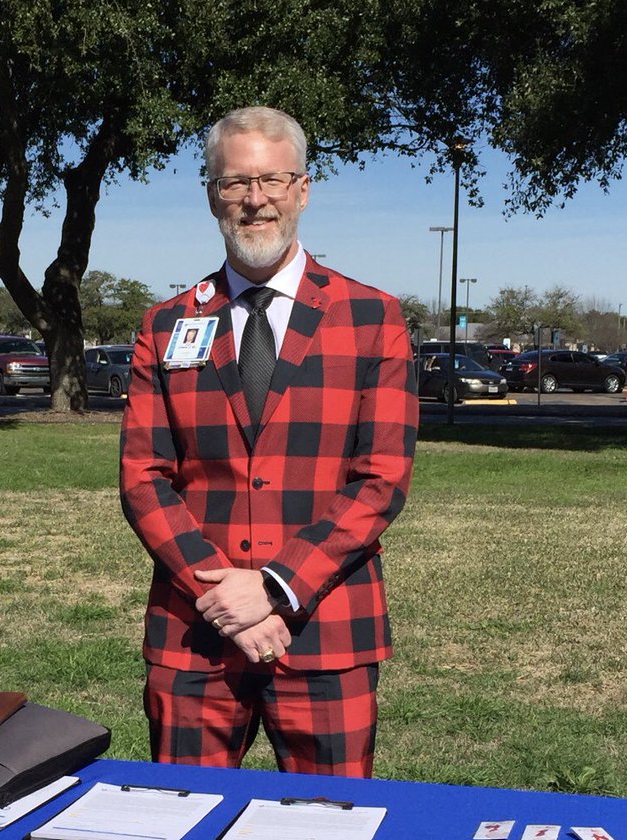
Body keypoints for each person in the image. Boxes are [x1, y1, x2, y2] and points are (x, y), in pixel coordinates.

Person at [120, 106, 418, 776]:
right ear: (211, 196)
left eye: (273, 181)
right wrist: (229, 599)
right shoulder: (167, 325)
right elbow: (144, 476)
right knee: (179, 828)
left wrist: (278, 585)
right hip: (196, 630)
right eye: (235, 184)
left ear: (302, 190)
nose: (255, 200)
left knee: (328, 833)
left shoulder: (371, 318)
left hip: (326, 629)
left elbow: (382, 479)